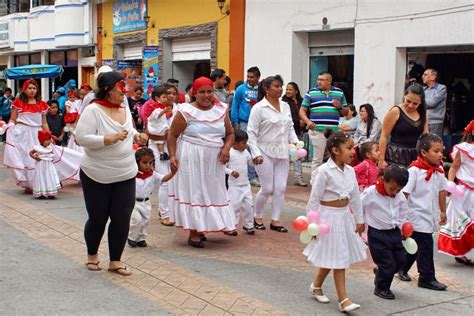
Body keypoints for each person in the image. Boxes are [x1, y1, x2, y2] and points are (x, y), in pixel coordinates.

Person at [75, 71, 148, 276]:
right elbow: (81, 138)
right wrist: (107, 139)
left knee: (122, 217)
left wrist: (138, 136)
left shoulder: (124, 107)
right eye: (120, 88)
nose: (124, 92)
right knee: (98, 217)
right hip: (96, 174)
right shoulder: (93, 111)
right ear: (107, 90)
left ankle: (115, 260)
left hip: (125, 172)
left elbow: (130, 130)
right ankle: (92, 256)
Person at [167, 77, 236, 248]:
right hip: (191, 158)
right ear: (194, 93)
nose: (206, 95)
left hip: (214, 161)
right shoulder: (186, 111)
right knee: (195, 191)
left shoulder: (220, 110)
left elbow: (230, 133)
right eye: (202, 92)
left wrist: (226, 148)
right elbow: (172, 135)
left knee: (213, 191)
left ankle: (210, 225)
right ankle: (194, 231)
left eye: (209, 91)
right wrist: (173, 156)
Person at [304, 130, 366, 313]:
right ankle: (343, 299)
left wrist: (359, 219)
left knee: (336, 254)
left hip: (344, 216)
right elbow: (314, 200)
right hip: (327, 218)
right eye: (349, 148)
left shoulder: (351, 171)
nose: (353, 151)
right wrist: (311, 226)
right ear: (336, 150)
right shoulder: (323, 172)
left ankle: (316, 285)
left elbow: (355, 197)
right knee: (339, 258)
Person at [3, 79, 82, 193]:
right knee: (26, 158)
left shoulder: (42, 104)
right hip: (22, 133)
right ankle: (29, 184)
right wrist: (10, 125)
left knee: (42, 156)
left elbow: (44, 122)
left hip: (38, 134)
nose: (32, 90)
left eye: (34, 88)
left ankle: (40, 182)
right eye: (29, 88)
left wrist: (48, 135)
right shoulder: (18, 103)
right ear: (24, 89)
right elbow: (13, 118)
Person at [247, 75, 299, 233]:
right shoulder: (259, 108)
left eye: (280, 86)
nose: (279, 89)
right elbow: (251, 132)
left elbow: (290, 127)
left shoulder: (285, 106)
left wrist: (295, 143)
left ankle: (275, 221)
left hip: (283, 152)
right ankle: (257, 216)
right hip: (264, 152)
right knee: (268, 187)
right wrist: (255, 153)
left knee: (281, 188)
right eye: (276, 86)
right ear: (266, 89)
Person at [398, 133, 448, 291]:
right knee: (425, 245)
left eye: (441, 151)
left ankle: (398, 267)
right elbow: (404, 193)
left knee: (415, 246)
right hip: (416, 216)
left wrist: (443, 211)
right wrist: (401, 215)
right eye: (436, 151)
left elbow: (442, 191)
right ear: (424, 152)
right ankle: (426, 277)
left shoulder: (439, 171)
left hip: (429, 215)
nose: (440, 154)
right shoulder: (414, 171)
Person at [361, 165, 410, 300]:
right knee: (387, 263)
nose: (394, 192)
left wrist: (401, 226)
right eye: (392, 188)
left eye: (398, 190)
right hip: (377, 234)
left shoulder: (399, 196)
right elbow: (359, 206)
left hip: (394, 232)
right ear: (384, 180)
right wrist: (359, 222)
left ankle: (381, 272)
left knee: (400, 261)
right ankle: (382, 288)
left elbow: (403, 210)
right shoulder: (371, 192)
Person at [438, 120, 474, 265]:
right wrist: (450, 184)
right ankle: (460, 253)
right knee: (459, 222)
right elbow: (453, 167)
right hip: (463, 192)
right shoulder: (464, 149)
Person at [299, 72, 348, 179]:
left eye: (322, 80)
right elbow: (302, 111)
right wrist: (308, 122)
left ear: (329, 81)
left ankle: (333, 180)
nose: (318, 82)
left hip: (333, 132)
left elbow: (345, 112)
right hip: (317, 130)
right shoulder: (311, 93)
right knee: (318, 158)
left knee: (335, 156)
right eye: (318, 79)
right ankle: (315, 181)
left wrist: (340, 107)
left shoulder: (339, 93)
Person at [128, 148, 176, 248]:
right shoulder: (131, 174)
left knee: (145, 221)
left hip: (146, 202)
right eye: (144, 162)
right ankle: (131, 237)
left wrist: (172, 173)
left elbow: (164, 178)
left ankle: (141, 238)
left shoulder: (152, 174)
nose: (147, 165)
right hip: (134, 202)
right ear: (137, 162)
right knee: (136, 220)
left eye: (150, 162)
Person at [147, 83, 178, 227]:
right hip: (157, 146)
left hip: (173, 147)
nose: (170, 96)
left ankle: (168, 210)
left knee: (174, 181)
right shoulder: (155, 109)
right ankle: (165, 214)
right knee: (165, 179)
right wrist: (164, 134)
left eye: (173, 93)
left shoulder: (179, 109)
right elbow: (150, 131)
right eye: (167, 94)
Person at [379, 84, 429, 169]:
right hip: (396, 156)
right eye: (408, 101)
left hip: (415, 155)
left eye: (415, 103)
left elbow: (426, 136)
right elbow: (384, 136)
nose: (410, 106)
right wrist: (381, 160)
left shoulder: (423, 113)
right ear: (404, 96)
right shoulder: (395, 111)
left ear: (420, 102)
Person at [231, 66, 261, 187]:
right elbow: (235, 106)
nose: (249, 79)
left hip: (259, 124)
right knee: (246, 148)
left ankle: (259, 174)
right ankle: (251, 176)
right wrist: (236, 123)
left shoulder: (263, 89)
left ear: (258, 77)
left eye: (252, 77)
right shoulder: (240, 89)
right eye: (248, 76)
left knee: (257, 148)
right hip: (244, 122)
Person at [225, 130, 255, 235]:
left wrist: (255, 161)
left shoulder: (246, 152)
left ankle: (249, 225)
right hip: (234, 186)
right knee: (234, 207)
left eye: (246, 143)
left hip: (245, 184)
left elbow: (250, 163)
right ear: (235, 143)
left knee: (249, 206)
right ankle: (231, 226)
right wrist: (231, 172)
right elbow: (222, 168)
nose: (245, 145)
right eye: (243, 143)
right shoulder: (229, 153)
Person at [282, 81, 307, 187]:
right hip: (288, 132)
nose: (287, 91)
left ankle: (298, 178)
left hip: (299, 132)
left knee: (298, 155)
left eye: (290, 89)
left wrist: (304, 122)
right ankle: (282, 178)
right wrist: (297, 122)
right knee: (286, 156)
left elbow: (306, 112)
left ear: (296, 91)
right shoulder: (284, 102)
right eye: (287, 89)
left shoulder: (302, 101)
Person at [29, 130, 61, 199]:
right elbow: (31, 153)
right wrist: (35, 157)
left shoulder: (50, 147)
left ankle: (50, 193)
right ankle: (41, 193)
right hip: (41, 166)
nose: (49, 141)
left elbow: (55, 153)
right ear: (41, 140)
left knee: (49, 178)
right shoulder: (37, 148)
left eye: (49, 139)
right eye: (46, 140)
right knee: (41, 178)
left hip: (49, 166)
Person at [147, 85, 173, 162]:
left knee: (160, 142)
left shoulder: (162, 107)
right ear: (157, 98)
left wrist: (168, 114)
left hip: (161, 129)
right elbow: (157, 116)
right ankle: (162, 154)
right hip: (157, 129)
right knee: (159, 142)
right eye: (164, 97)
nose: (167, 98)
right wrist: (164, 111)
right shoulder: (155, 107)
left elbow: (163, 118)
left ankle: (162, 154)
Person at [422, 69, 447, 138]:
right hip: (423, 122)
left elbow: (432, 103)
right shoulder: (423, 89)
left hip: (435, 123)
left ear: (433, 77)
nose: (422, 76)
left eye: (425, 74)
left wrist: (421, 101)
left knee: (434, 145)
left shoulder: (441, 88)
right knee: (423, 145)